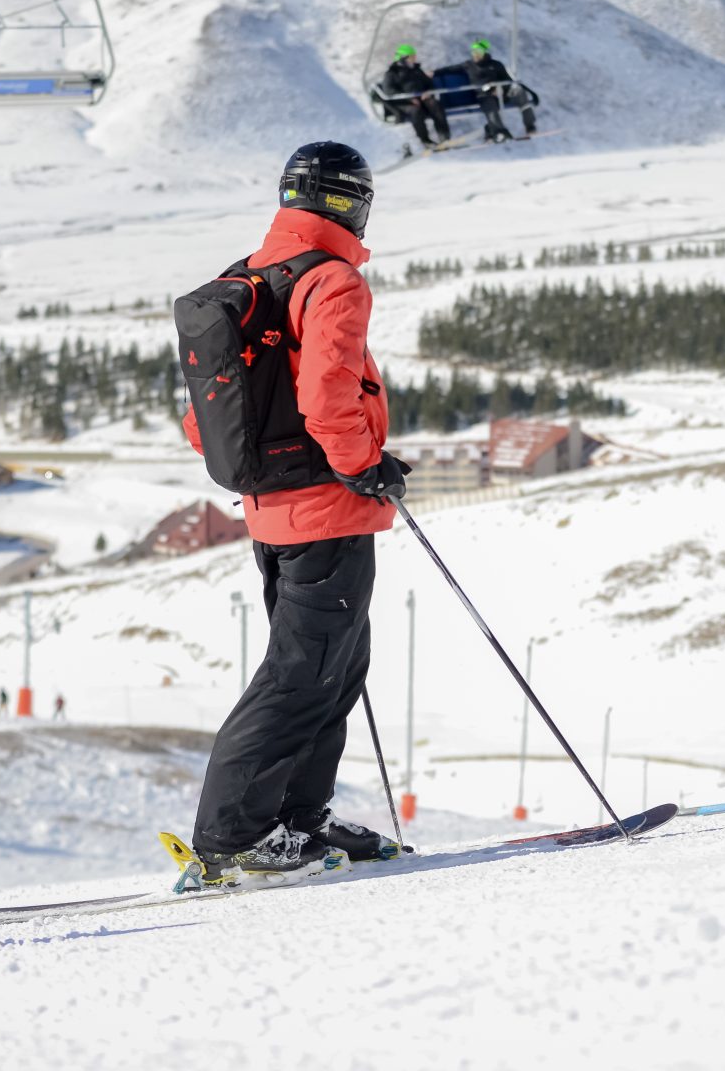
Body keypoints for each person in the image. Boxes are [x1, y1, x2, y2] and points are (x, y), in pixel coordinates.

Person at [181, 141, 406, 885]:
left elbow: (203, 420)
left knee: (333, 671)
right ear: (351, 202)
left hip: (274, 507)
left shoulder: (248, 277)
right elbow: (328, 396)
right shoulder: (332, 280)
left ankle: (297, 817)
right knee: (300, 674)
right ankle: (233, 834)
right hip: (327, 507)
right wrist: (363, 465)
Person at [465, 39, 538, 144]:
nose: (476, 55)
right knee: (490, 104)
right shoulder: (469, 65)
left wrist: (502, 89)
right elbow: (449, 69)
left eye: (479, 52)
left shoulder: (496, 64)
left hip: (501, 95)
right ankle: (499, 132)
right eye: (474, 52)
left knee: (520, 92)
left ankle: (530, 126)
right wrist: (433, 72)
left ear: (484, 52)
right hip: (484, 96)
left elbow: (508, 80)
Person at [378, 44, 451, 148]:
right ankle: (426, 140)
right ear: (403, 58)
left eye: (414, 56)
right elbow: (389, 90)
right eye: (411, 57)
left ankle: (444, 136)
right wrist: (409, 99)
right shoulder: (392, 73)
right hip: (403, 103)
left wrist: (428, 92)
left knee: (435, 104)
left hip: (421, 99)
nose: (414, 59)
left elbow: (428, 83)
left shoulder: (416, 70)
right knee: (415, 111)